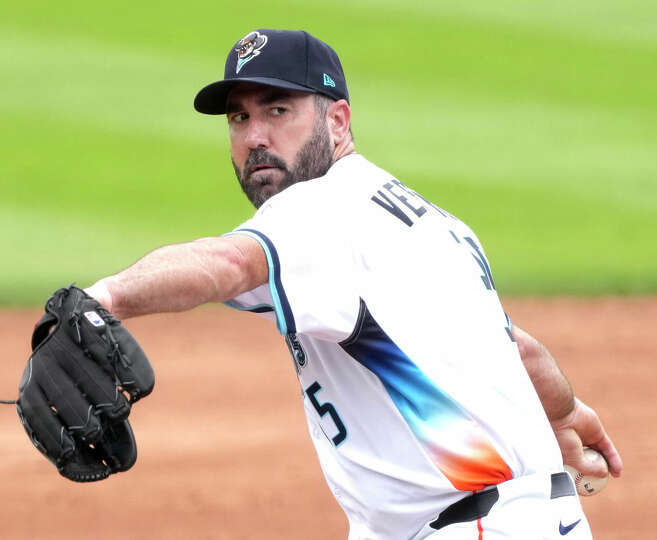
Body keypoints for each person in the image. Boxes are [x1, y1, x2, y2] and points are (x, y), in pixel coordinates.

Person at [82, 29, 622, 540]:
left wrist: (99, 300)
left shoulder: (316, 208)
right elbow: (513, 347)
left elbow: (226, 261)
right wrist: (565, 411)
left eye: (277, 110)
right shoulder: (432, 221)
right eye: (238, 117)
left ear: (338, 121)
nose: (255, 138)